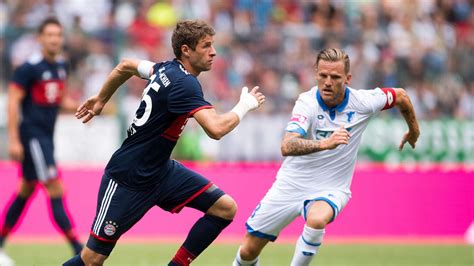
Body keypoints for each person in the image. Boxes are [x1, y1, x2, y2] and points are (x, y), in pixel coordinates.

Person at [63, 20, 265, 266]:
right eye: (206, 46)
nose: (213, 52)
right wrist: (245, 106)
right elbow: (216, 129)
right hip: (128, 178)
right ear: (186, 50)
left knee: (224, 208)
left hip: (160, 171)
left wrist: (100, 99)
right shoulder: (185, 83)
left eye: (212, 45)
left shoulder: (165, 68)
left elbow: (126, 65)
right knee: (91, 260)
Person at [233, 48, 420, 266]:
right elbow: (287, 145)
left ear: (348, 79)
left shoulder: (363, 102)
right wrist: (325, 143)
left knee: (317, 218)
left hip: (331, 187)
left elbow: (401, 96)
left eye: (335, 77)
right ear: (316, 74)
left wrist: (414, 130)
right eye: (323, 76)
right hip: (291, 183)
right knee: (248, 250)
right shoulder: (307, 102)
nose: (328, 82)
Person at [0, 17, 83, 266]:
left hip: (47, 137)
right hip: (33, 137)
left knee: (25, 190)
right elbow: (13, 103)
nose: (54, 39)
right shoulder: (29, 68)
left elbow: (58, 101)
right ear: (40, 38)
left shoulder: (61, 66)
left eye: (58, 35)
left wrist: (86, 107)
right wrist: (14, 140)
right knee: (56, 188)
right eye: (49, 35)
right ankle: (79, 249)